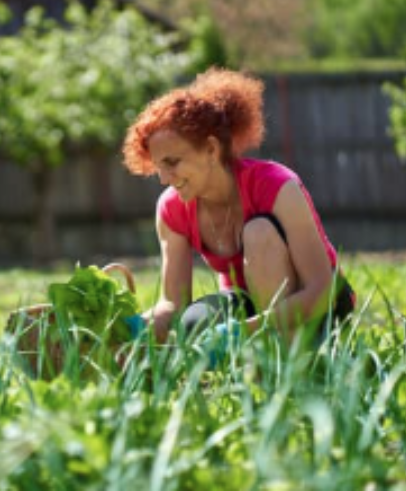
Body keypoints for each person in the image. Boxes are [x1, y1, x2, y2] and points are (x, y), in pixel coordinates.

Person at [121, 68, 354, 350]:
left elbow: (321, 289)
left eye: (172, 162)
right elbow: (173, 304)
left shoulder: (276, 185)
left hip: (318, 305)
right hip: (248, 305)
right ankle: (263, 356)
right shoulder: (172, 209)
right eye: (159, 167)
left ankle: (297, 363)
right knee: (193, 324)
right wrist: (123, 327)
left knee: (257, 232)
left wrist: (247, 330)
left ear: (211, 149)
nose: (164, 178)